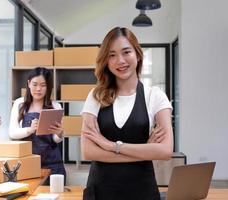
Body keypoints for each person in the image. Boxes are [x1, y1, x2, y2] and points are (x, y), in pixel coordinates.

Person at [81, 27, 173, 200]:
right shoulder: (95, 96)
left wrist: (110, 146)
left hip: (142, 191)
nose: (120, 60)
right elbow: (88, 151)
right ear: (106, 61)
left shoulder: (155, 96)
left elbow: (165, 151)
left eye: (126, 52)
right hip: (101, 191)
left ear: (137, 55)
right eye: (112, 55)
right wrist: (145, 150)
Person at [9, 67, 66, 184]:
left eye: (43, 85)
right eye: (35, 84)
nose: (38, 89)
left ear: (48, 87)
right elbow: (12, 133)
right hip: (27, 163)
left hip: (53, 164)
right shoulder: (20, 104)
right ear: (29, 83)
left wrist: (59, 134)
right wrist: (29, 130)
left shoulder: (56, 106)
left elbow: (55, 140)